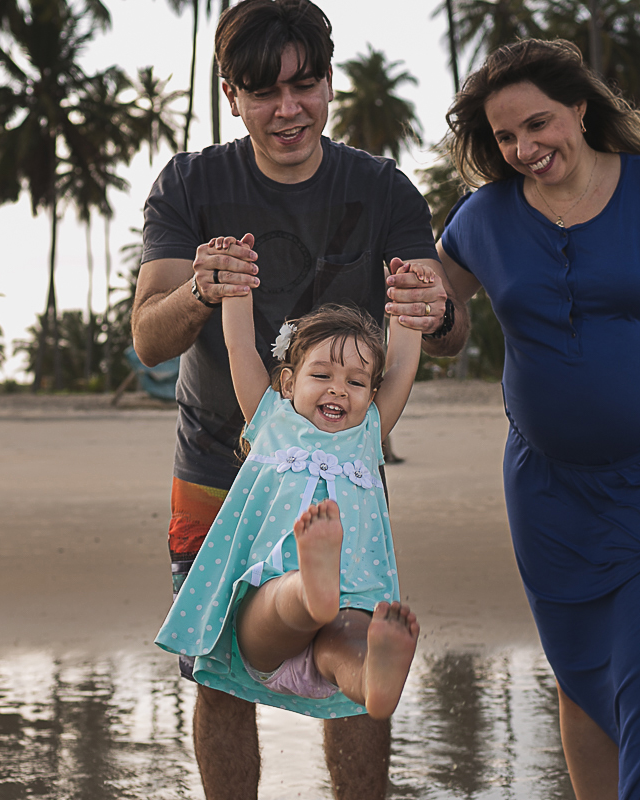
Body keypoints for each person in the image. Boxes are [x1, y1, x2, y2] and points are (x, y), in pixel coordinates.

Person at [131, 2, 447, 797]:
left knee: (353, 657)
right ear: (230, 93)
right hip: (214, 467)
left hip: (338, 480)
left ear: (330, 84)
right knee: (218, 672)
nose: (289, 109)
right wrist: (204, 288)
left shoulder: (382, 190)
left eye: (306, 85)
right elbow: (150, 336)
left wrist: (431, 307)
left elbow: (443, 325)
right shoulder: (192, 183)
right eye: (263, 91)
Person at [432, 39, 640, 799]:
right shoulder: (482, 217)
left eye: (538, 125)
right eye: (506, 137)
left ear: (580, 109)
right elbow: (443, 322)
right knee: (581, 678)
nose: (523, 148)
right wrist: (421, 306)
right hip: (549, 496)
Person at [156, 260, 431, 720]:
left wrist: (407, 307)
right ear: (288, 382)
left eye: (356, 382)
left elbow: (402, 366)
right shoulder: (271, 419)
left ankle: (371, 683)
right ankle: (311, 587)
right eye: (322, 375)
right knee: (282, 602)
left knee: (346, 645)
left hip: (348, 608)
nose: (339, 390)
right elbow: (239, 345)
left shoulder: (367, 434)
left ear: (371, 392)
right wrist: (237, 291)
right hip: (275, 608)